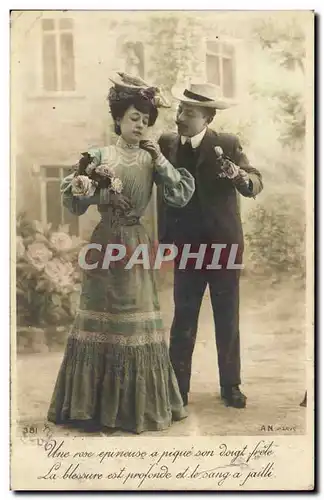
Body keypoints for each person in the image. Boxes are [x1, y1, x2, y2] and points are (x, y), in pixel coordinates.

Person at [47, 73, 195, 434]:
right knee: (100, 317)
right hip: (103, 246)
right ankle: (90, 408)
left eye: (145, 120)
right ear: (117, 119)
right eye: (133, 118)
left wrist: (160, 160)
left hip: (134, 246)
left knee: (133, 321)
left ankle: (134, 411)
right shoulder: (99, 155)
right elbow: (72, 199)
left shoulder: (150, 158)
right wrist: (90, 180)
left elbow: (179, 195)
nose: (140, 125)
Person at [157, 82, 263, 409]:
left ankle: (230, 386)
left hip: (224, 247)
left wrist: (240, 178)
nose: (179, 117)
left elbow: (253, 181)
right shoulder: (167, 144)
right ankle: (178, 388)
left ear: (208, 117)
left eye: (188, 112)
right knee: (183, 318)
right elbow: (163, 195)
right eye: (179, 110)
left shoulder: (228, 145)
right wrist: (166, 241)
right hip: (187, 248)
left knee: (226, 318)